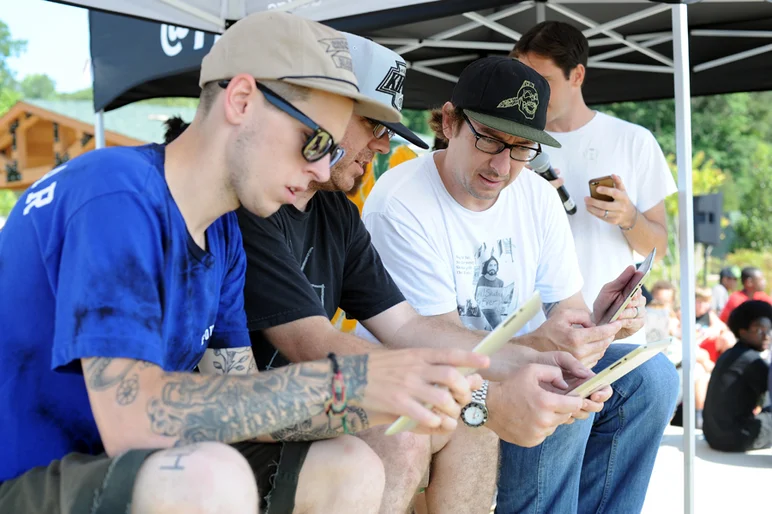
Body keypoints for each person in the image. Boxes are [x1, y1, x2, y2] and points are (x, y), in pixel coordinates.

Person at [0, 13, 490, 514]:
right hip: (28, 479)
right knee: (212, 476)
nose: (323, 169)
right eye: (316, 140)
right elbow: (135, 419)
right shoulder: (114, 192)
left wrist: (389, 397)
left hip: (125, 471)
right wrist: (348, 383)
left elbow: (241, 400)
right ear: (240, 101)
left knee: (352, 463)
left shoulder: (223, 235)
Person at [236, 36, 606, 514]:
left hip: (303, 404)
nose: (384, 142)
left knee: (469, 424)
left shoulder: (336, 212)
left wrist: (529, 364)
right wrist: (479, 394)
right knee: (425, 428)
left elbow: (409, 327)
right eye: (372, 123)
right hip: (250, 423)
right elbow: (313, 344)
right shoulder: (253, 208)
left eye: (521, 149)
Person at [358, 55, 679, 514]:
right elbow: (434, 344)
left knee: (654, 379)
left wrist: (600, 321)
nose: (503, 166)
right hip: (428, 373)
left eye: (523, 147)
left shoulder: (535, 195)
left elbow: (566, 310)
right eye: (489, 139)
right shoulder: (403, 201)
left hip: (512, 353)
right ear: (449, 122)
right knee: (560, 384)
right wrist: (546, 347)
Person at [510, 21, 677, 347]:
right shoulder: (505, 141)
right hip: (526, 337)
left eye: (543, 82)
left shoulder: (634, 141)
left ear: (577, 75)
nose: (531, 92)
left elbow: (659, 249)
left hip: (610, 335)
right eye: (523, 80)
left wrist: (629, 218)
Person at [703, 300, 772, 452]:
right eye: (759, 330)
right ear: (743, 331)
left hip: (712, 435)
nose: (766, 336)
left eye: (769, 330)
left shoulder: (731, 353)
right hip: (734, 438)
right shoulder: (751, 360)